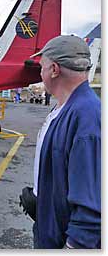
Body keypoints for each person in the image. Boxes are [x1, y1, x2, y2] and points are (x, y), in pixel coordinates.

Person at [30, 35, 101, 248]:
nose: (40, 73)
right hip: (49, 228)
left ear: (54, 69)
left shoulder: (87, 118)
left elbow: (92, 209)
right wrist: (40, 196)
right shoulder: (65, 108)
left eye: (42, 67)